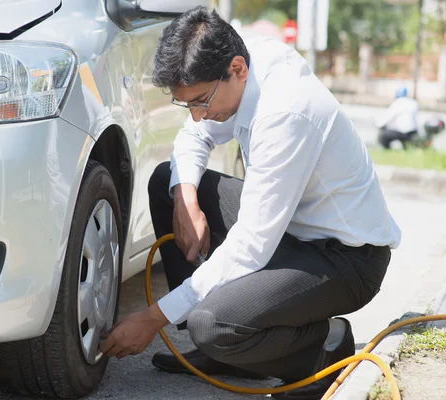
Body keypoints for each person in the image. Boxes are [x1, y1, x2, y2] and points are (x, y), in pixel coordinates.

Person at [99, 6, 401, 399]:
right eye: (186, 103)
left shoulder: (286, 111)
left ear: (237, 69)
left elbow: (252, 245)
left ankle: (323, 349)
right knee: (168, 183)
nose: (196, 116)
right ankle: (234, 355)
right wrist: (185, 197)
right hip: (290, 231)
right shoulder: (240, 61)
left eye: (201, 101)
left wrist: (153, 318)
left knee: (213, 323)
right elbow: (194, 137)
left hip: (346, 259)